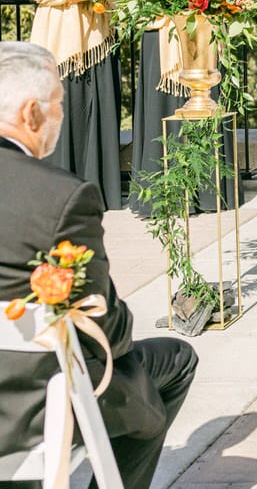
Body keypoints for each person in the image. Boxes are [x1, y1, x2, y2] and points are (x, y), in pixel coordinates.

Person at [0, 41, 198, 489]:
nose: (60, 118)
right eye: (58, 106)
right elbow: (109, 332)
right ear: (31, 114)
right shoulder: (60, 197)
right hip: (28, 404)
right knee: (176, 361)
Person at [18, 0, 128, 208]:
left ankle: (98, 191)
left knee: (97, 112)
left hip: (96, 38)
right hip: (57, 40)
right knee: (62, 115)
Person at [129, 0, 233, 216]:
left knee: (201, 111)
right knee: (169, 112)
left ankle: (202, 191)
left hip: (200, 40)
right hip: (166, 37)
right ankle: (167, 195)